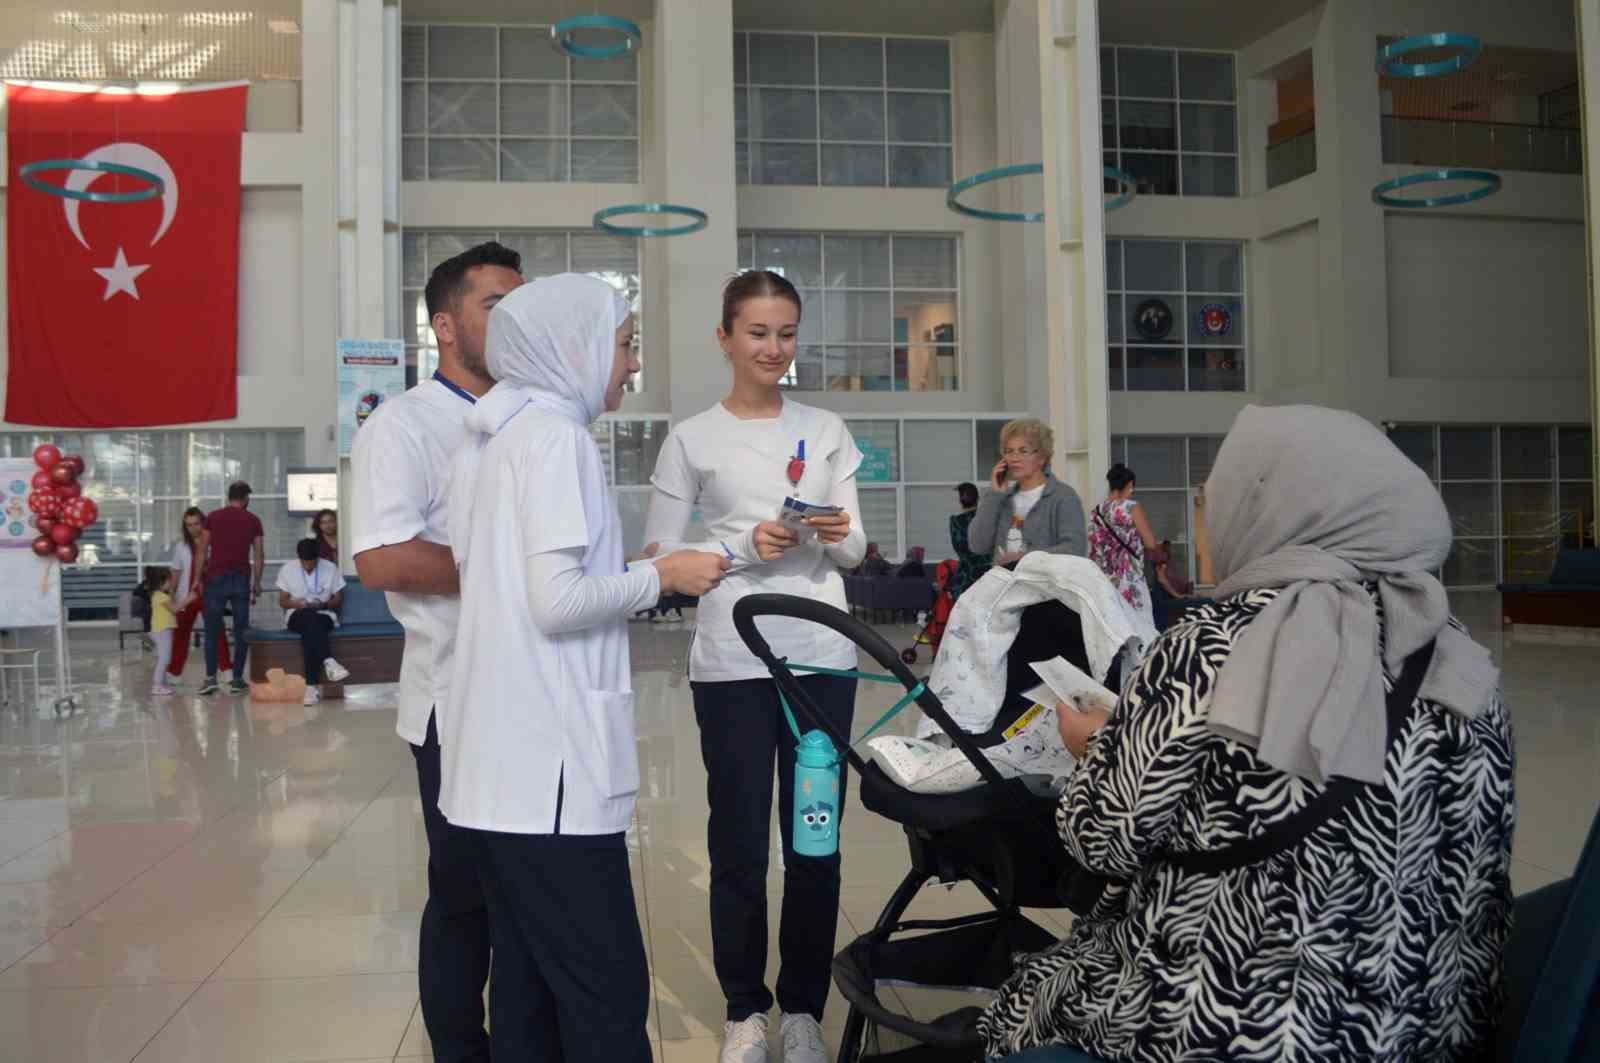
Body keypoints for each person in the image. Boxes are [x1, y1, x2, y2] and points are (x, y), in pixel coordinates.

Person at [980, 404, 1513, 1062]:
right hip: (1432, 1025)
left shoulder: (1211, 645)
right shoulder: (1458, 657)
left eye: (1212, 500)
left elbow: (1102, 839)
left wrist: (1096, 746)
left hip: (1247, 1019)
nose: (1207, 519)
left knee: (1026, 995)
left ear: (1269, 510)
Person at [443, 273, 728, 1062]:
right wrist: (662, 577)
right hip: (551, 779)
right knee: (606, 995)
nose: (632, 363)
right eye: (626, 343)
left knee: (528, 991)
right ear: (573, 347)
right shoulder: (556, 438)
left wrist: (637, 570)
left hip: (500, 774)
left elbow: (523, 583)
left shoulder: (498, 435)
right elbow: (557, 601)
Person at [642, 270, 867, 1063]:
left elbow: (856, 548)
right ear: (726, 338)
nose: (774, 348)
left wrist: (831, 531)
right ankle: (747, 1008)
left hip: (822, 657)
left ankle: (803, 1008)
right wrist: (746, 543)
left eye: (787, 333)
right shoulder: (693, 438)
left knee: (815, 836)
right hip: (733, 659)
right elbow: (660, 553)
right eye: (758, 333)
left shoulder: (826, 428)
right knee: (737, 841)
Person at [351, 240, 523, 1063]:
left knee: (527, 896)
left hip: (535, 695)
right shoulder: (404, 424)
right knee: (464, 895)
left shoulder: (533, 416)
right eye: (496, 305)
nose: (514, 321)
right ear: (446, 325)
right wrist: (511, 567)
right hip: (454, 701)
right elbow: (383, 557)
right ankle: (460, 1049)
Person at [968, 419, 1086, 565]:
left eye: (1023, 451)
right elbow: (977, 546)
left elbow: (1075, 549)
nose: (1014, 458)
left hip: (1044, 580)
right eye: (1009, 451)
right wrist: (994, 496)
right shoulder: (1002, 499)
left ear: (1042, 457)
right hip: (1005, 579)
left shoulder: (1063, 497)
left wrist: (1024, 558)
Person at [201, 481, 264, 696]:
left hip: (215, 578)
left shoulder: (212, 517)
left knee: (212, 631)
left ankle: (211, 679)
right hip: (240, 579)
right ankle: (237, 679)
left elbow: (202, 550)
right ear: (245, 498)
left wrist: (197, 579)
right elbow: (258, 554)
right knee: (241, 631)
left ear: (229, 497)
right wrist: (257, 582)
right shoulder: (253, 520)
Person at [1086, 462, 1164, 625]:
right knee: (1140, 626)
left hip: (1105, 581)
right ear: (1128, 485)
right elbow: (1150, 543)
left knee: (1114, 626)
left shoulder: (1096, 512)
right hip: (1129, 578)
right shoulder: (1131, 507)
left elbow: (1094, 548)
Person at [275, 538, 350, 706]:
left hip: (324, 614)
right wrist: (297, 604)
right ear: (299, 558)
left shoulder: (330, 568)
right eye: (304, 562)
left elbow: (338, 599)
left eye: (311, 562)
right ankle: (329, 661)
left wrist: (322, 605)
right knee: (310, 621)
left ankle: (311, 687)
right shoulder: (288, 569)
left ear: (318, 558)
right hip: (297, 615)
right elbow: (282, 601)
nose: (308, 566)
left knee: (311, 630)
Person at [167, 506, 231, 685]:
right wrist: (171, 594)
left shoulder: (214, 544)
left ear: (203, 523)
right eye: (189, 525)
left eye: (196, 523)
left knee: (217, 631)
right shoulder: (181, 547)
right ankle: (175, 672)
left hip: (210, 594)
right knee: (180, 635)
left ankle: (226, 669)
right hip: (187, 596)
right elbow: (176, 572)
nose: (193, 528)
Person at [948, 481, 990, 598]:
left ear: (960, 501)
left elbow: (958, 547)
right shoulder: (988, 519)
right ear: (978, 499)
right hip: (989, 577)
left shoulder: (956, 522)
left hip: (966, 578)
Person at [146, 566, 178, 697]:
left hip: (162, 629)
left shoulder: (159, 595)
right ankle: (157, 686)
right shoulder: (161, 597)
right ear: (161, 583)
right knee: (164, 659)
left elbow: (172, 603)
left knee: (163, 658)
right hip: (162, 630)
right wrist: (190, 598)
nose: (171, 584)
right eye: (169, 581)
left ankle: (162, 684)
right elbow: (175, 609)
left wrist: (172, 591)